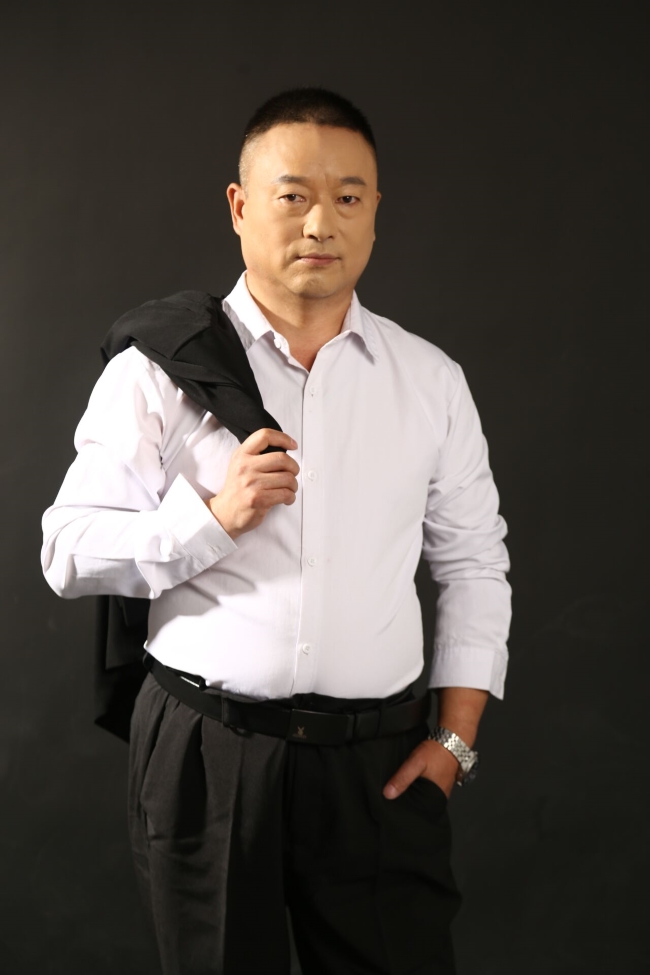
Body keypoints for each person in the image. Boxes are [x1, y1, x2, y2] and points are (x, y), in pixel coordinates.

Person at [41, 86, 512, 975]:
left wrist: (455, 740)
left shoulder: (430, 380)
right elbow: (66, 549)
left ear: (375, 211)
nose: (320, 222)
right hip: (208, 754)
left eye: (348, 196)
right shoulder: (158, 372)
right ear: (239, 205)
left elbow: (474, 561)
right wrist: (211, 520)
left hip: (378, 766)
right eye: (293, 194)